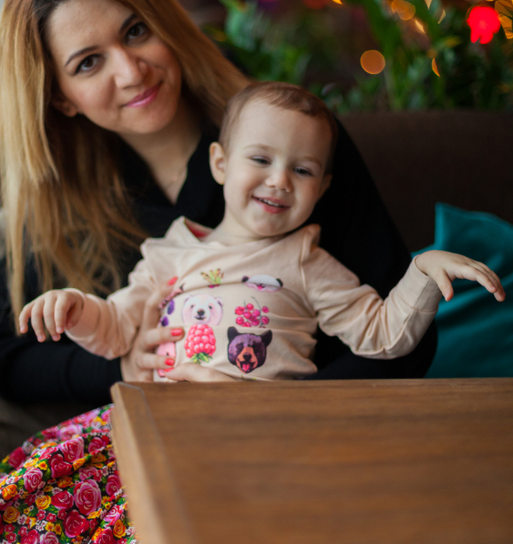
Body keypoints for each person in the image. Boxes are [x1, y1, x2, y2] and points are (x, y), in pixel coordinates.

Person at [0, 0, 434, 544]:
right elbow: (8, 356)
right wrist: (121, 363)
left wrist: (274, 413)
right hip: (156, 446)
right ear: (61, 96)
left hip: (307, 439)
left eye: (136, 31)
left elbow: (407, 343)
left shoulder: (285, 147)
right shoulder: (64, 200)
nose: (131, 71)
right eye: (89, 62)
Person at [19, 83, 505, 382]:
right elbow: (114, 330)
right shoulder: (169, 254)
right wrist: (76, 309)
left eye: (302, 169)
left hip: (264, 432)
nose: (279, 180)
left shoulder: (307, 262)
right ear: (220, 163)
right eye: (260, 159)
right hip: (163, 428)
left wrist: (422, 273)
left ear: (322, 188)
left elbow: (383, 337)